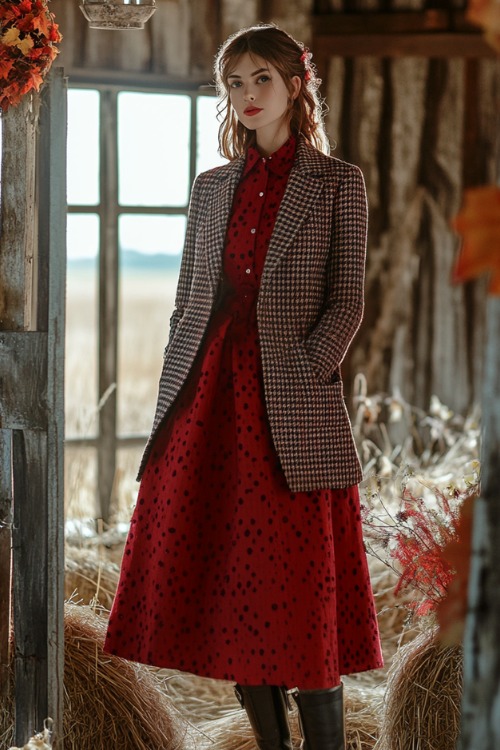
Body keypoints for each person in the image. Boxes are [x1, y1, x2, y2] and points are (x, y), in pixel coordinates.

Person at [105, 23, 383, 750]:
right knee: (234, 592)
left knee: (298, 598)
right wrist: (181, 377)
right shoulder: (211, 187)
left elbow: (347, 302)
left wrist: (305, 372)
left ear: (297, 85)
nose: (247, 95)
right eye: (235, 82)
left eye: (261, 79)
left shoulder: (337, 183)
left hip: (291, 412)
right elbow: (189, 297)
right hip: (208, 410)